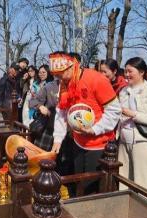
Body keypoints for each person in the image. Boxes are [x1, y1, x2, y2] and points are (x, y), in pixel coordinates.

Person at [50, 52, 121, 195]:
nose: (58, 78)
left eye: (60, 74)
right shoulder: (64, 83)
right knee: (78, 182)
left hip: (99, 143)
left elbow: (114, 110)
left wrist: (95, 129)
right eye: (56, 75)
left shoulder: (96, 79)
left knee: (92, 187)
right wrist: (58, 139)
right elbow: (62, 112)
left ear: (72, 67)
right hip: (78, 141)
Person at [117, 57, 147, 192]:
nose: (126, 75)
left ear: (142, 72)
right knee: (124, 181)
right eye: (125, 71)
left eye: (130, 71)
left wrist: (134, 114)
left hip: (143, 142)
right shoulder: (123, 91)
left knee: (144, 182)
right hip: (124, 142)